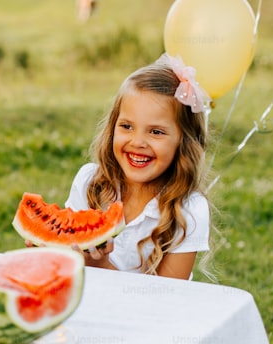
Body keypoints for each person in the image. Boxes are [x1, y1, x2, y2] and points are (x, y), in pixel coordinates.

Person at [65, 54, 211, 279]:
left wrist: (102, 266)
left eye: (156, 132)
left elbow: (165, 300)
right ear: (113, 127)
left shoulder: (189, 211)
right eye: (127, 126)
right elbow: (67, 263)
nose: (138, 142)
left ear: (183, 142)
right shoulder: (89, 183)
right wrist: (48, 246)